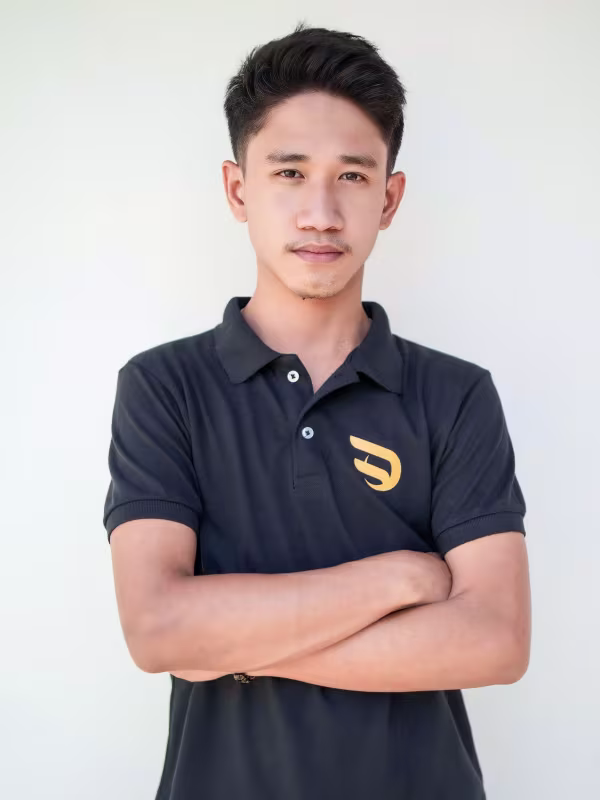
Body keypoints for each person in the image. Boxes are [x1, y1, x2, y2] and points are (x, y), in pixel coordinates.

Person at [103, 21, 531, 800]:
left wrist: (228, 647)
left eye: (353, 176)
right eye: (291, 173)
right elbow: (158, 629)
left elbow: (496, 641)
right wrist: (399, 578)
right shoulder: (164, 387)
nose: (321, 213)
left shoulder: (456, 395)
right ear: (239, 189)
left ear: (389, 198)